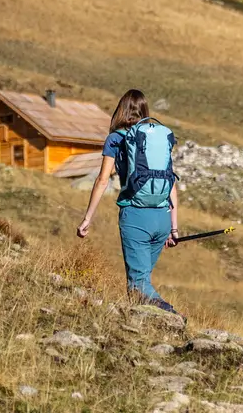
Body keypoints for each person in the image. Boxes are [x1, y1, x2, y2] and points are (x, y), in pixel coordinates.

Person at [76, 88, 180, 313]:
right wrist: (174, 228)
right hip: (162, 218)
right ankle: (147, 331)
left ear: (120, 110)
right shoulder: (158, 137)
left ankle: (170, 315)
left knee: (138, 284)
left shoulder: (115, 139)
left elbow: (103, 180)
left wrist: (87, 218)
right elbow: (171, 182)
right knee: (141, 283)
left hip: (136, 216)